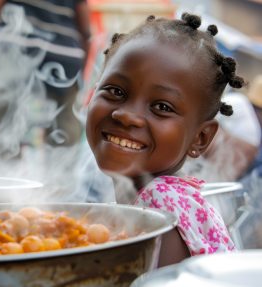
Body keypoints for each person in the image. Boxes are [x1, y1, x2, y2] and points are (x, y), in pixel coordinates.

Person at [85, 13, 241, 267]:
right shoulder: (163, 196)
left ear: (200, 138)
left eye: (161, 106)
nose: (126, 116)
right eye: (116, 91)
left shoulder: (159, 204)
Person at [0, 0, 91, 146]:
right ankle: (62, 164)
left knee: (1, 121)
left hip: (18, 51)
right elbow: (86, 31)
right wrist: (81, 69)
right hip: (64, 57)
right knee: (64, 125)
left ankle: (1, 159)